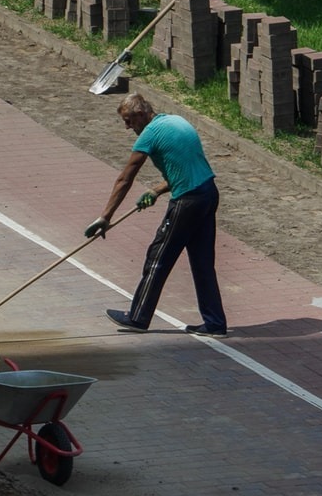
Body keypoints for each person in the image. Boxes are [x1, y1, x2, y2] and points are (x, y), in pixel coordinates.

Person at [86, 93, 228, 338]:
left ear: (142, 114)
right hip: (208, 193)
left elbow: (125, 178)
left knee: (157, 257)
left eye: (130, 120)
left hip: (187, 201)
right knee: (203, 262)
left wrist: (105, 217)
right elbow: (184, 167)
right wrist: (156, 190)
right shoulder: (176, 121)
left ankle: (137, 318)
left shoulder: (150, 134)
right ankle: (215, 323)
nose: (128, 127)